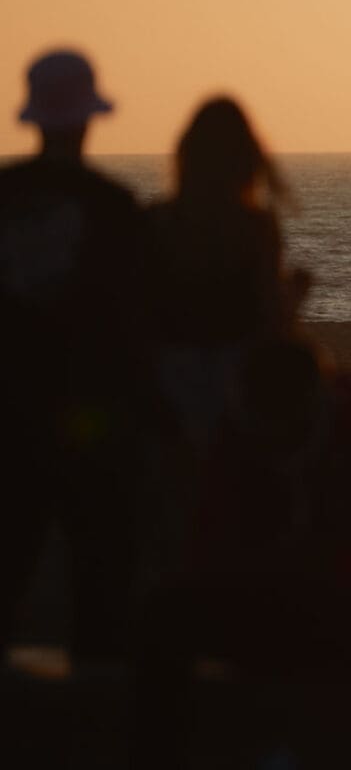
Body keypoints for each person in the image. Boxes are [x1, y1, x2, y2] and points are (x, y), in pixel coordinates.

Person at [135, 339, 351, 768]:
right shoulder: (237, 433)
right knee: (160, 615)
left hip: (341, 605)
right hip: (258, 602)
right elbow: (206, 539)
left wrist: (321, 567)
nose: (274, 436)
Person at [0, 51, 154, 665]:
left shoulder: (5, 197)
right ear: (89, 120)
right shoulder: (114, 206)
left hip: (11, 410)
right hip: (91, 414)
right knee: (99, 572)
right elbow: (135, 322)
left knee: (10, 558)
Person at [148, 96, 293, 446]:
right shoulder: (255, 227)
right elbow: (269, 316)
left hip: (169, 375)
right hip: (239, 375)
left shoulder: (157, 221)